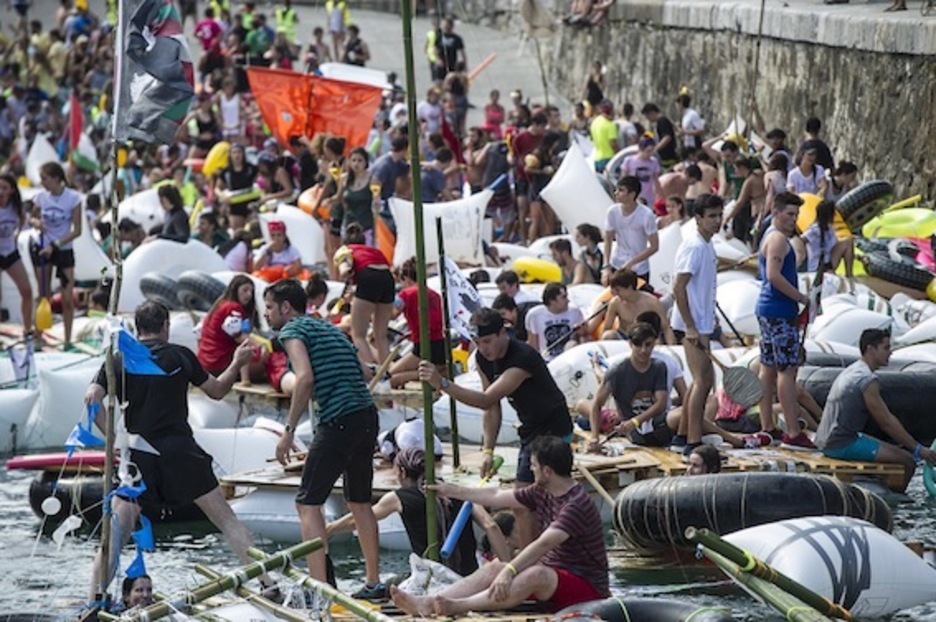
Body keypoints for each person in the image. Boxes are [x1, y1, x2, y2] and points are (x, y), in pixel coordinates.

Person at [84, 301, 273, 601]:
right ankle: (268, 583)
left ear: (137, 329)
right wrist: (237, 362)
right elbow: (217, 390)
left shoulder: (119, 359)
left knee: (115, 537)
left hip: (139, 455)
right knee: (227, 521)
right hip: (180, 451)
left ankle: (94, 600)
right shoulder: (180, 356)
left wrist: (115, 441)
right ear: (165, 327)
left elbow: (92, 399)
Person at [390, 436, 609, 616]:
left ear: (548, 472)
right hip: (556, 579)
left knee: (535, 573)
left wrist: (510, 570)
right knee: (494, 567)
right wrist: (451, 490)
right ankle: (428, 603)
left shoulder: (576, 504)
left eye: (534, 466)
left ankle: (459, 605)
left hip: (586, 588)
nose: (531, 470)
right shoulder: (541, 491)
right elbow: (496, 495)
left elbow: (543, 544)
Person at [417, 309, 573, 548]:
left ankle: (535, 556)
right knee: (523, 504)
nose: (483, 348)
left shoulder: (523, 357)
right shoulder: (482, 360)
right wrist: (487, 451)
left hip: (554, 427)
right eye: (478, 342)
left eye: (488, 341)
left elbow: (485, 399)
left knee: (526, 499)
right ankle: (530, 556)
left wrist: (442, 384)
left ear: (503, 333)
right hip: (530, 429)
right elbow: (492, 409)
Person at [268, 279, 384, 598]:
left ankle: (320, 588)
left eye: (269, 307)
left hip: (340, 419)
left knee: (307, 503)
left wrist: (288, 431)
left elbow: (304, 379)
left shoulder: (291, 331)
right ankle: (373, 582)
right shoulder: (329, 328)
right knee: (359, 502)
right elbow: (365, 371)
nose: (266, 314)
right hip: (366, 415)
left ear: (285, 308)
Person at [326, 447, 511, 577]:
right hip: (469, 577)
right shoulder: (458, 492)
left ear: (403, 473)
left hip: (432, 577)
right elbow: (491, 526)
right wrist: (509, 571)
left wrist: (329, 529)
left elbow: (360, 519)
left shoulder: (398, 498)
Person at [815, 328, 936, 491]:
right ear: (870, 349)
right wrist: (918, 449)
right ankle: (897, 501)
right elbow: (886, 421)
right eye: (886, 348)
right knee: (907, 461)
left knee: (895, 449)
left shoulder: (852, 370)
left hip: (826, 439)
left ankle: (878, 488)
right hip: (841, 443)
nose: (890, 353)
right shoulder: (866, 380)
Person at [756, 192, 816, 450]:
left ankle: (767, 426)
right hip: (779, 310)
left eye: (796, 214)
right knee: (786, 369)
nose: (794, 219)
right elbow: (773, 275)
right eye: (790, 214)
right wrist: (801, 298)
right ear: (776, 212)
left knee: (768, 368)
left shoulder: (770, 236)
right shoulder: (778, 239)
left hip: (768, 310)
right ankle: (793, 431)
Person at [670, 193, 722, 456]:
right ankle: (693, 441)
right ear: (698, 218)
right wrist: (690, 326)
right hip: (691, 325)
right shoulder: (694, 246)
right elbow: (678, 287)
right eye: (711, 216)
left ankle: (681, 436)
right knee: (703, 381)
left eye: (719, 215)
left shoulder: (708, 244)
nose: (717, 221)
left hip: (702, 323)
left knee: (702, 381)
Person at [589, 322, 675, 449]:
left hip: (652, 422)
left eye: (648, 345)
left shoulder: (659, 367)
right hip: (635, 431)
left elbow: (660, 404)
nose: (643, 350)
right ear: (630, 344)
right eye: (638, 345)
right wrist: (594, 437)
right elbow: (597, 404)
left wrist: (635, 421)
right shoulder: (617, 370)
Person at [31, 162, 81, 346]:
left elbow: (78, 230)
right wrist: (36, 223)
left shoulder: (73, 198)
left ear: (56, 178)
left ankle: (68, 339)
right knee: (43, 295)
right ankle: (38, 336)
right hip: (43, 248)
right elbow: (32, 217)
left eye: (45, 178)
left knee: (67, 298)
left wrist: (56, 245)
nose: (42, 182)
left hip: (63, 249)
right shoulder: (41, 197)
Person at [333, 225, 393, 366]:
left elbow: (344, 270)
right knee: (381, 334)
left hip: (368, 276)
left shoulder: (345, 250)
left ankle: (371, 371)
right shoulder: (374, 251)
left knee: (358, 334)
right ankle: (387, 372)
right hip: (387, 278)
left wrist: (347, 276)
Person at [197, 275, 268, 384]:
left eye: (251, 291)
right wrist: (262, 346)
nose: (249, 295)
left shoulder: (219, 305)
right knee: (266, 361)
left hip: (206, 364)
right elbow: (239, 337)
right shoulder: (233, 308)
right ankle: (245, 380)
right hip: (220, 364)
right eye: (245, 290)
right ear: (236, 290)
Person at [388, 257, 446, 388]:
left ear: (405, 278)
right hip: (440, 344)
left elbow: (392, 315)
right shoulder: (435, 294)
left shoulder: (405, 294)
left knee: (390, 376)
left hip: (424, 346)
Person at [602, 175, 659, 288]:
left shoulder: (646, 215)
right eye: (616, 189)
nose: (616, 193)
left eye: (621, 190)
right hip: (617, 264)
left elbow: (654, 246)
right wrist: (606, 267)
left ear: (632, 194)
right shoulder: (612, 212)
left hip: (639, 268)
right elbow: (608, 239)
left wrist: (631, 262)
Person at [601, 268, 675, 344]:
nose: (615, 293)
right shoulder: (615, 302)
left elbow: (666, 328)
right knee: (608, 335)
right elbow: (607, 328)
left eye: (618, 290)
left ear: (629, 288)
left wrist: (672, 347)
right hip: (623, 336)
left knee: (657, 342)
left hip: (645, 337)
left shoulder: (652, 302)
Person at [0, 173, 32, 334]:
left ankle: (27, 329)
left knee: (27, 291)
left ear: (11, 190)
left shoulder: (15, 207)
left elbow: (23, 220)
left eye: (4, 188)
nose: (1, 191)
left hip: (10, 252)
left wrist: (17, 233)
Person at [525, 282, 586, 361]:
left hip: (569, 358)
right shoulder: (534, 315)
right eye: (564, 297)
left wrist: (582, 332)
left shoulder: (575, 312)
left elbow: (584, 337)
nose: (568, 300)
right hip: (546, 359)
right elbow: (533, 346)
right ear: (552, 301)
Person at [801, 199, 854, 279]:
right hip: (818, 266)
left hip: (828, 260)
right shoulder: (815, 230)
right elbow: (801, 240)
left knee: (848, 241)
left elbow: (835, 244)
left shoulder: (829, 228)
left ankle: (849, 274)